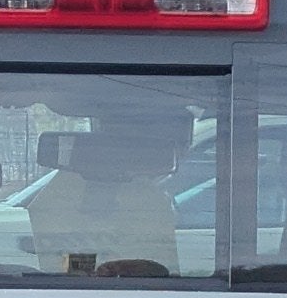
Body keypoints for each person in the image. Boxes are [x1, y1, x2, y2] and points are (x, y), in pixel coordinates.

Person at [22, 101, 189, 276]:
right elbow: (69, 263)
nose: (180, 152)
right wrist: (96, 274)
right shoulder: (147, 198)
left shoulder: (60, 188)